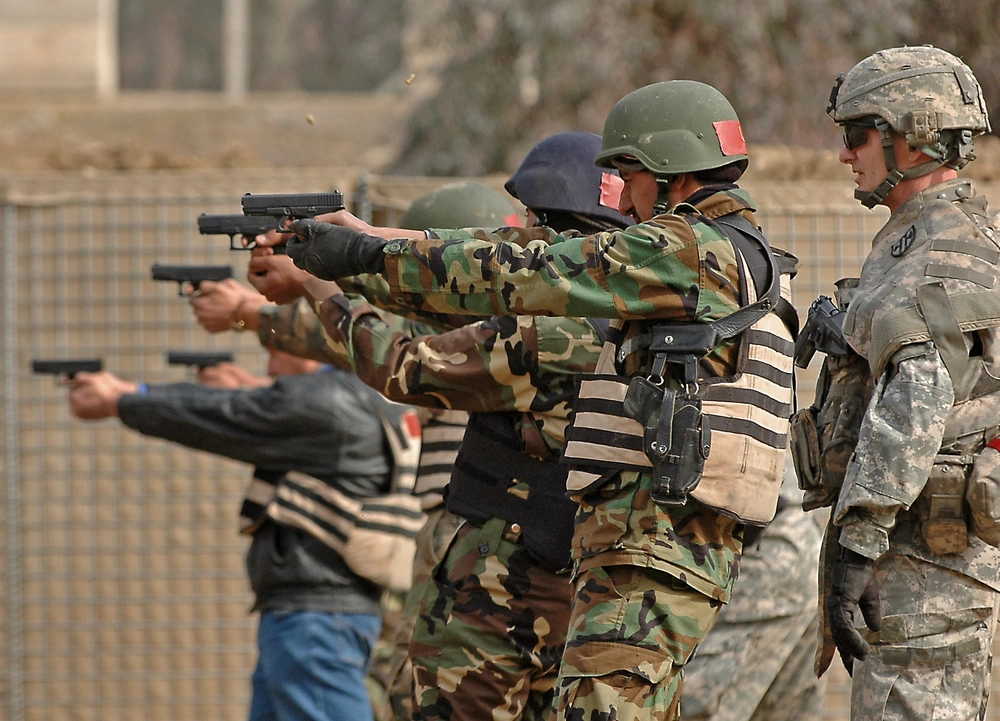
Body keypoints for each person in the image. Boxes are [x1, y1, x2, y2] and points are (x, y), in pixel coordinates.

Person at [264, 81, 798, 720]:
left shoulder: (687, 252)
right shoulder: (725, 256)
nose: (625, 199)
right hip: (652, 547)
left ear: (669, 171)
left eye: (628, 175)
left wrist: (360, 259)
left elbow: (522, 277)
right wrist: (368, 246)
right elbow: (529, 261)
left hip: (651, 545)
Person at [248, 140, 632, 721]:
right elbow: (456, 297)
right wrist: (353, 255)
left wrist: (322, 288)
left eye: (530, 226)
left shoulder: (546, 334)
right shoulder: (618, 313)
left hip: (501, 595)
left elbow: (403, 364)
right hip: (569, 585)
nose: (517, 241)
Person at [794, 45, 1000, 720]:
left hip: (921, 567)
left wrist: (858, 543)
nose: (847, 154)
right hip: (914, 559)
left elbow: (919, 398)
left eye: (859, 135)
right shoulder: (918, 236)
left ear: (912, 137)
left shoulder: (944, 245)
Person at [66, 347, 422, 721]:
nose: (269, 366)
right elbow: (264, 403)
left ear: (303, 342)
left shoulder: (326, 401)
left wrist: (122, 398)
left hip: (315, 617)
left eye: (274, 348)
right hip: (319, 612)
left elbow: (226, 414)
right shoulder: (361, 392)